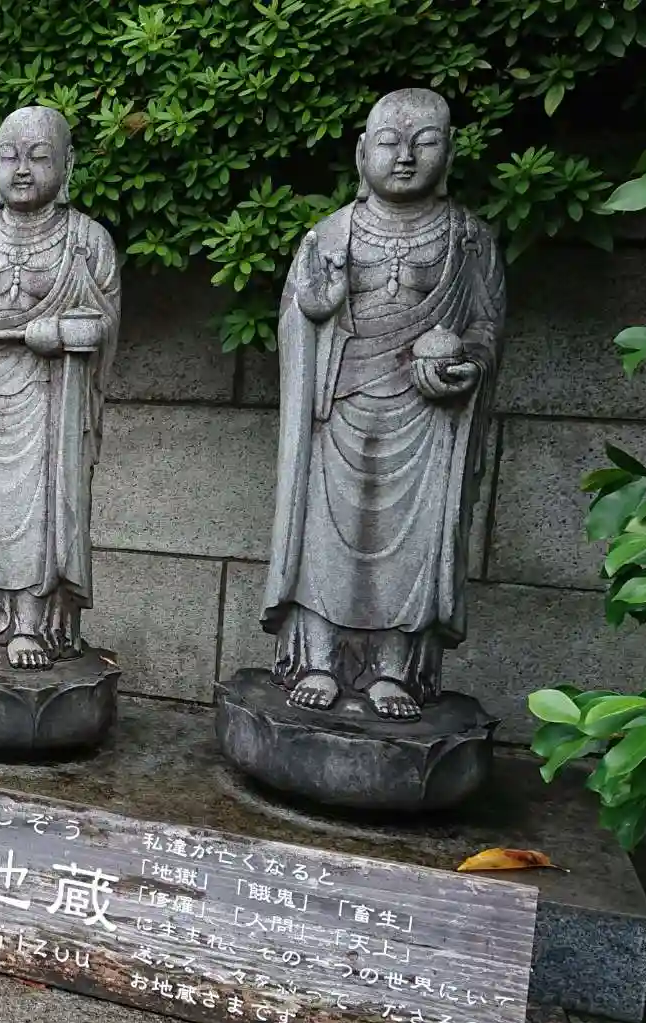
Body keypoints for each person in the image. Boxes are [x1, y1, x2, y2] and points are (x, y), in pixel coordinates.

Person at [262, 88, 506, 719]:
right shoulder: (330, 234)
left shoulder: (469, 241)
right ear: (361, 153)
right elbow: (295, 321)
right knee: (324, 537)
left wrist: (467, 363)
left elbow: (486, 325)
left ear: (448, 154)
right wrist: (314, 311)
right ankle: (318, 661)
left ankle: (392, 670)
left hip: (424, 418)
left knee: (415, 542)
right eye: (390, 143)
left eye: (424, 143)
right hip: (339, 410)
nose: (405, 157)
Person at [0, 106, 121, 670]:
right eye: (8, 156)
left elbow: (103, 326)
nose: (22, 169)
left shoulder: (87, 243)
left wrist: (61, 333)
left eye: (38, 156)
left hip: (49, 404)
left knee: (40, 515)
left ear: (67, 165)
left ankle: (30, 626)